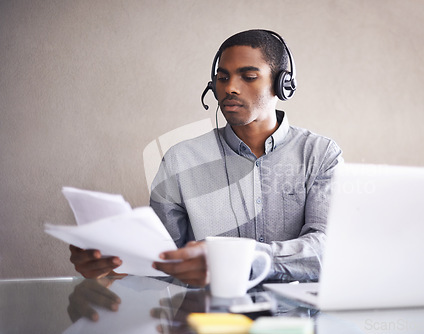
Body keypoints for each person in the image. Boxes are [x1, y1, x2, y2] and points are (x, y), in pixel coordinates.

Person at [69, 29, 343, 287]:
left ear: (282, 84)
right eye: (222, 78)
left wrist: (240, 259)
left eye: (248, 76)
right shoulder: (180, 160)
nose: (230, 88)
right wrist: (116, 265)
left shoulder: (320, 155)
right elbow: (163, 258)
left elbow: (328, 248)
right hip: (206, 319)